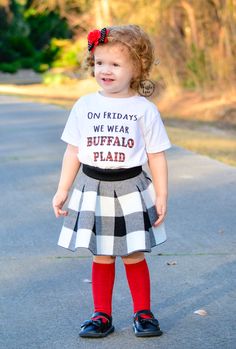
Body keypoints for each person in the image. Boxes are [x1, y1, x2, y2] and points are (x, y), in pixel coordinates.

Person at [52, 25, 171, 339]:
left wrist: (161, 194)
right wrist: (62, 189)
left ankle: (143, 313)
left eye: (115, 64)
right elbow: (73, 151)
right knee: (101, 254)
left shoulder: (144, 110)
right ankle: (101, 315)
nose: (105, 70)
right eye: (100, 62)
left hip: (131, 188)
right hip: (93, 188)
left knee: (133, 253)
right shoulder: (84, 106)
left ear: (136, 69)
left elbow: (157, 156)